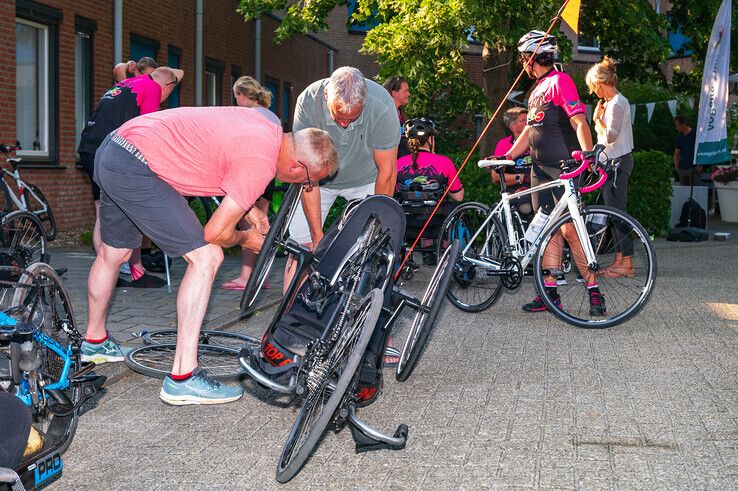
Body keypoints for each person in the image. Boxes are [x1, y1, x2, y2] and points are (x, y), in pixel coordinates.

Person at [83, 106, 338, 406]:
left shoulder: (266, 122)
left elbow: (220, 154)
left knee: (115, 252)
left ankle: (93, 342)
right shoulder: (261, 163)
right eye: (309, 181)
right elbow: (214, 233)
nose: (306, 186)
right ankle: (183, 377)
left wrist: (249, 210)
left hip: (114, 148)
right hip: (138, 166)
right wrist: (247, 238)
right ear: (297, 168)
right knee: (207, 257)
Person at [287, 66, 399, 365]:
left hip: (365, 178)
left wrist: (378, 223)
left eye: (353, 118)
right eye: (339, 117)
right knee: (299, 246)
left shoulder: (382, 105)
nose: (346, 124)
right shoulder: (308, 102)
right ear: (326, 96)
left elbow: (387, 172)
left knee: (372, 254)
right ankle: (291, 325)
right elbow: (306, 172)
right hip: (318, 177)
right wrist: (316, 237)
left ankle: (375, 332)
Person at [501, 30, 604, 316]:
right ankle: (550, 293)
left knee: (570, 229)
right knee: (548, 229)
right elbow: (530, 132)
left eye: (524, 59)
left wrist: (588, 154)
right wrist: (507, 156)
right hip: (539, 169)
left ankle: (594, 291)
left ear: (533, 59)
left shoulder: (561, 81)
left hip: (563, 167)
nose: (523, 65)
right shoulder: (536, 90)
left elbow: (579, 121)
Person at [78, 66, 183, 288]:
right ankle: (127, 272)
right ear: (166, 87)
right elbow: (149, 129)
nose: (163, 100)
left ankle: (116, 273)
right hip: (109, 151)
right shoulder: (154, 87)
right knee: (132, 206)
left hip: (89, 146)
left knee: (103, 210)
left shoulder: (128, 83)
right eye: (168, 95)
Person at [220, 76, 280, 291]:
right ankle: (261, 276)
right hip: (268, 175)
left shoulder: (246, 115)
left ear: (243, 96)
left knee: (247, 224)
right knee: (261, 225)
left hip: (251, 171)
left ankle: (246, 277)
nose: (236, 101)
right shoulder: (272, 115)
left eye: (236, 96)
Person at [587, 56, 635, 278]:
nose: (591, 91)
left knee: (618, 214)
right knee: (613, 214)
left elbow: (612, 136)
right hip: (610, 164)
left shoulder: (617, 102)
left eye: (591, 86)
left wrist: (598, 120)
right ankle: (619, 261)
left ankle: (627, 264)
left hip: (618, 163)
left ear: (599, 83)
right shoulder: (609, 103)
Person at [396, 117, 463, 265]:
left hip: (406, 223)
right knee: (452, 207)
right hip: (436, 222)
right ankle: (439, 250)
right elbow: (459, 196)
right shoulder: (444, 162)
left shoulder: (397, 164)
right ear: (430, 139)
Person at [492, 107, 533, 216]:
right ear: (513, 127)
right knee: (526, 208)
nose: (527, 123)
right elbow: (495, 177)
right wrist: (522, 177)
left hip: (536, 186)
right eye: (523, 120)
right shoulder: (504, 144)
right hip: (515, 190)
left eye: (528, 119)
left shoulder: (537, 141)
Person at [384, 76, 411, 157]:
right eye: (406, 91)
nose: (409, 94)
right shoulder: (383, 115)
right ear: (394, 93)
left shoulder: (401, 114)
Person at [674, 115, 700, 186]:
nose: (676, 128)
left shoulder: (696, 133)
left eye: (677, 125)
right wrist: (677, 167)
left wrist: (700, 165)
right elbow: (677, 153)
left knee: (695, 192)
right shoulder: (679, 137)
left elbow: (701, 150)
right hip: (681, 169)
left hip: (693, 168)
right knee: (684, 192)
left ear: (684, 124)